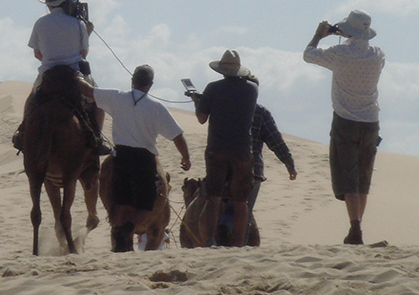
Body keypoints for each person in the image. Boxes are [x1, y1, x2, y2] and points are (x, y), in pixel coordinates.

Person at [78, 65, 191, 252]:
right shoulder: (156, 107)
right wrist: (186, 158)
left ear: (132, 80)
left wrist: (76, 75)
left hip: (120, 158)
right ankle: (127, 229)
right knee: (147, 205)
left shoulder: (117, 97)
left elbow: (87, 90)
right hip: (144, 160)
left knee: (123, 203)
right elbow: (177, 136)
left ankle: (121, 235)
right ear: (150, 84)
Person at [303, 10, 385, 245]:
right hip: (371, 121)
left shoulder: (339, 53)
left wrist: (319, 35)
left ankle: (354, 226)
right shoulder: (378, 54)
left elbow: (308, 55)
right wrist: (345, 33)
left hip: (345, 119)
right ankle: (358, 224)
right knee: (363, 174)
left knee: (347, 174)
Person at [15, 0, 107, 153]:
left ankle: (22, 132)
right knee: (98, 101)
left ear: (48, 5)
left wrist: (51, 59)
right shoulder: (78, 23)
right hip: (74, 73)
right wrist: (87, 33)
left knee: (31, 99)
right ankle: (97, 138)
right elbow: (83, 53)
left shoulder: (40, 23)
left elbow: (37, 54)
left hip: (48, 73)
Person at [187, 49, 258, 247]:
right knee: (241, 200)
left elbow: (202, 118)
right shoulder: (252, 89)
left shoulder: (213, 88)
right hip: (243, 149)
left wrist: (198, 102)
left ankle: (210, 240)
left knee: (214, 196)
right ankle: (238, 243)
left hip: (217, 148)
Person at [248, 101, 298, 231]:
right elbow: (275, 141)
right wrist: (289, 163)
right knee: (244, 212)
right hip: (252, 169)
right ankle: (239, 244)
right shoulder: (260, 111)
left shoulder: (225, 105)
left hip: (223, 166)